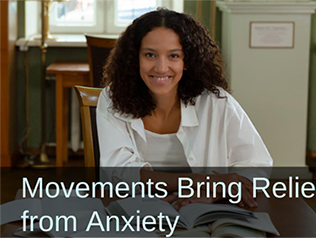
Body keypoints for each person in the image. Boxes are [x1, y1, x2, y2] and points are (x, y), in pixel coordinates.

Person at [97, 8, 272, 209]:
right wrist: (205, 182)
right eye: (150, 55)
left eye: (173, 56)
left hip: (202, 213)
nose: (161, 67)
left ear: (187, 60)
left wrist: (212, 194)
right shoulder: (112, 99)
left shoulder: (216, 101)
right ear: (134, 58)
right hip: (136, 216)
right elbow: (118, 173)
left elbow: (257, 165)